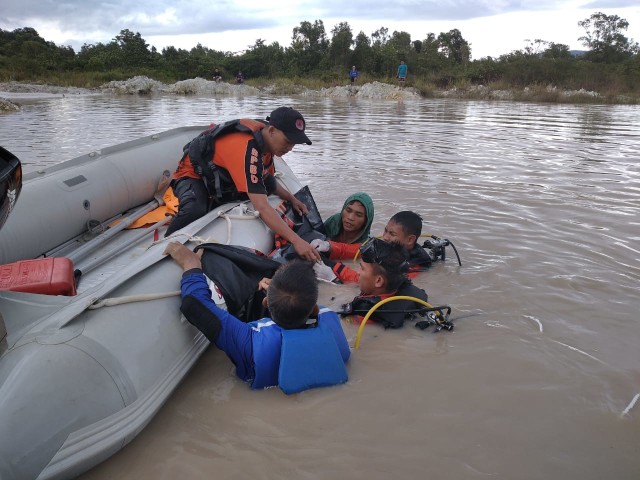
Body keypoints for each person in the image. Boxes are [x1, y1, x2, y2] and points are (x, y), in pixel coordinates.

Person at [163, 241, 350, 393]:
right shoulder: (331, 321)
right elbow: (311, 308)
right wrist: (280, 293)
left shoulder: (249, 342)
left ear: (265, 303)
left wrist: (191, 265)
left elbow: (194, 303)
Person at [165, 106, 321, 263]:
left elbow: (267, 181)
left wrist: (292, 199)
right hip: (192, 174)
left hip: (220, 175)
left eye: (294, 143)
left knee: (262, 188)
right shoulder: (247, 148)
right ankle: (165, 244)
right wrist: (296, 241)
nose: (290, 148)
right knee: (195, 208)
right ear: (272, 131)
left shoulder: (266, 147)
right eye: (288, 141)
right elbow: (262, 207)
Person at [316, 210, 433, 283]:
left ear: (410, 239)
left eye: (392, 234)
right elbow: (358, 249)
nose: (385, 237)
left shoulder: (413, 268)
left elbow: (369, 282)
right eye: (385, 231)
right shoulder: (389, 246)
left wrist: (333, 273)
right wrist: (329, 246)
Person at [340, 238, 430, 329]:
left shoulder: (363, 314)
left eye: (362, 268)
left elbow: (343, 323)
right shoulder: (407, 293)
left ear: (378, 281)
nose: (358, 272)